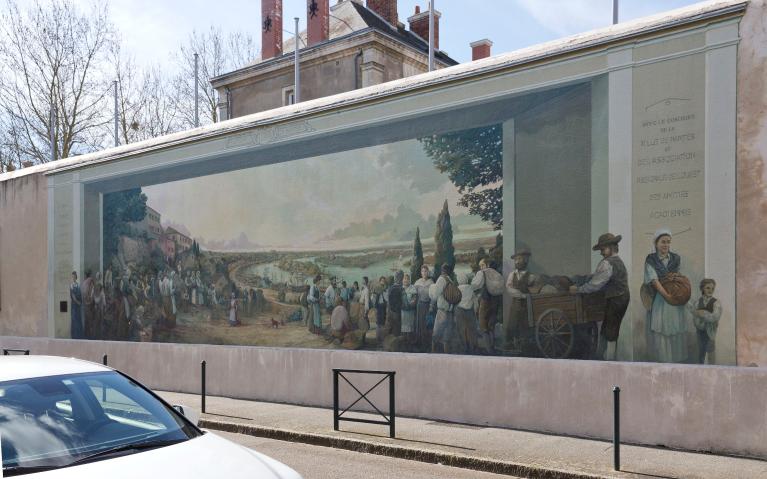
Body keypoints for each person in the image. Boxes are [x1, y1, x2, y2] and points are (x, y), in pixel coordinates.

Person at [569, 233, 630, 360]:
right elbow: (599, 277)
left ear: (612, 247)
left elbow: (596, 285)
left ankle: (609, 361)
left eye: (603, 249)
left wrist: (579, 289)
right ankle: (603, 358)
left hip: (616, 299)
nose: (601, 253)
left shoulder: (607, 263)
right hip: (621, 297)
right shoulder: (618, 261)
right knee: (610, 328)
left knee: (611, 330)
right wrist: (587, 277)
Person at [644, 229, 688, 363]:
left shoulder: (676, 258)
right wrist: (667, 296)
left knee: (675, 329)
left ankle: (676, 363)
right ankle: (664, 362)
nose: (666, 245)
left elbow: (679, 276)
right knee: (662, 330)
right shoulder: (651, 259)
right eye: (663, 242)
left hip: (675, 298)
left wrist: (676, 280)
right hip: (661, 298)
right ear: (656, 243)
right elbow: (654, 280)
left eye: (668, 242)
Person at [504, 249, 537, 352]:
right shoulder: (511, 275)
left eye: (519, 259)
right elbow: (509, 288)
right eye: (516, 259)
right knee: (512, 324)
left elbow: (533, 291)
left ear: (526, 260)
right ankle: (512, 345)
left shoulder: (531, 277)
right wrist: (521, 295)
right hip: (515, 304)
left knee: (525, 325)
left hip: (526, 305)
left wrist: (525, 296)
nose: (517, 262)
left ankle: (524, 347)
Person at [688, 279, 722, 364]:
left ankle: (712, 368)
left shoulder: (716, 303)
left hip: (710, 332)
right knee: (701, 351)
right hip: (700, 331)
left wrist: (703, 314)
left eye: (712, 288)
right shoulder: (697, 302)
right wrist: (697, 315)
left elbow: (715, 316)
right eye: (708, 288)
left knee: (710, 351)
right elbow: (694, 314)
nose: (710, 290)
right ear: (702, 289)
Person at [472, 258, 502, 353]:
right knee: (491, 325)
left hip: (486, 301)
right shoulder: (497, 273)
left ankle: (489, 350)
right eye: (480, 266)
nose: (481, 267)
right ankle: (492, 347)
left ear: (487, 264)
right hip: (495, 301)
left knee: (483, 325)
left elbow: (475, 285)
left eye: (482, 265)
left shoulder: (482, 273)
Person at [430, 264, 458, 354]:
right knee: (446, 336)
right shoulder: (451, 280)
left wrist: (431, 303)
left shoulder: (441, 279)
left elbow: (435, 295)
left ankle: (433, 352)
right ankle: (446, 354)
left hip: (442, 311)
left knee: (436, 333)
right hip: (450, 311)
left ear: (442, 271)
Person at [457, 272, 479, 354]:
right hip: (470, 311)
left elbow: (455, 301)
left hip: (460, 311)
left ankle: (465, 347)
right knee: (471, 330)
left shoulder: (457, 288)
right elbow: (475, 301)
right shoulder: (470, 288)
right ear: (466, 280)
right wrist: (476, 310)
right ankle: (473, 347)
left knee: (462, 330)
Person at [414, 265, 434, 349]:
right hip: (420, 305)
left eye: (426, 271)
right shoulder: (417, 282)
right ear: (421, 272)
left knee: (427, 324)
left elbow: (433, 296)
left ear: (428, 272)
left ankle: (427, 343)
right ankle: (419, 342)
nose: (424, 273)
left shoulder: (431, 282)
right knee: (420, 324)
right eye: (422, 271)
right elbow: (414, 294)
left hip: (428, 305)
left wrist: (431, 306)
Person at [401, 274, 418, 344]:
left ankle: (409, 343)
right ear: (402, 280)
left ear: (409, 280)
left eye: (407, 279)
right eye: (404, 279)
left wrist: (409, 305)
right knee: (403, 329)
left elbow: (414, 300)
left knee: (410, 329)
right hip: (402, 312)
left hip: (410, 312)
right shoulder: (400, 288)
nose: (406, 280)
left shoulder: (413, 288)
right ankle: (403, 343)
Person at [81, 269, 96, 339]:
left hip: (85, 302)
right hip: (89, 302)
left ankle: (87, 334)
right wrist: (91, 300)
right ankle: (91, 335)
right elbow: (92, 292)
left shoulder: (84, 282)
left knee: (87, 318)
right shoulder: (91, 281)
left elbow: (84, 293)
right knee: (90, 319)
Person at [69, 271, 84, 339]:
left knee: (78, 319)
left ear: (76, 277)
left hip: (78, 306)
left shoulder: (78, 285)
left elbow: (80, 295)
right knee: (74, 320)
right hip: (74, 306)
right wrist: (78, 302)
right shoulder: (71, 286)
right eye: (73, 277)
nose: (74, 278)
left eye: (75, 276)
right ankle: (74, 336)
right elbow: (73, 296)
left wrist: (80, 302)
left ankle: (79, 335)